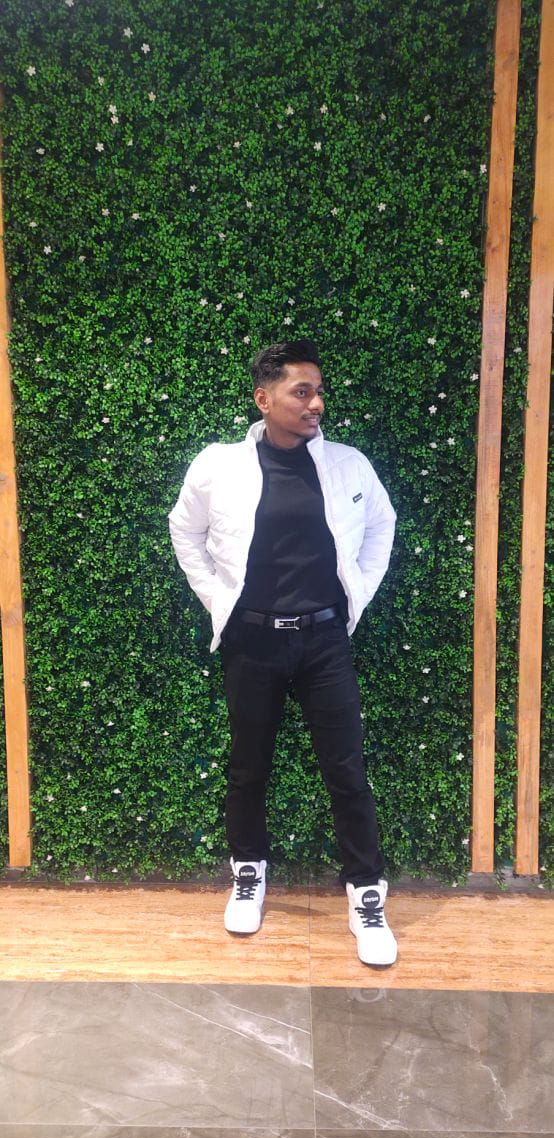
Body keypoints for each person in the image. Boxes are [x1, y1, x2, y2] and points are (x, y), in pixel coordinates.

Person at [168, 338, 398, 965]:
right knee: (248, 768)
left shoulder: (349, 466)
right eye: (302, 392)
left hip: (325, 640)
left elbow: (382, 525)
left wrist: (357, 595)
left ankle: (366, 891)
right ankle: (248, 870)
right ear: (264, 399)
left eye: (319, 392)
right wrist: (218, 599)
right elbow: (184, 530)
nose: (316, 403)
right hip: (252, 641)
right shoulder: (218, 466)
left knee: (347, 771)